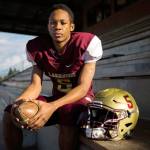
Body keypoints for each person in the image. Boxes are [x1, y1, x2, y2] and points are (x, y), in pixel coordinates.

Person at [3, 3, 103, 150]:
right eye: (53, 23)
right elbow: (35, 85)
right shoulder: (37, 47)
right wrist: (19, 102)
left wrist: (52, 106)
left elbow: (83, 88)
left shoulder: (86, 43)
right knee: (10, 113)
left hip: (80, 101)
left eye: (63, 22)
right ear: (48, 26)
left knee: (67, 110)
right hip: (57, 100)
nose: (57, 26)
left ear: (71, 27)